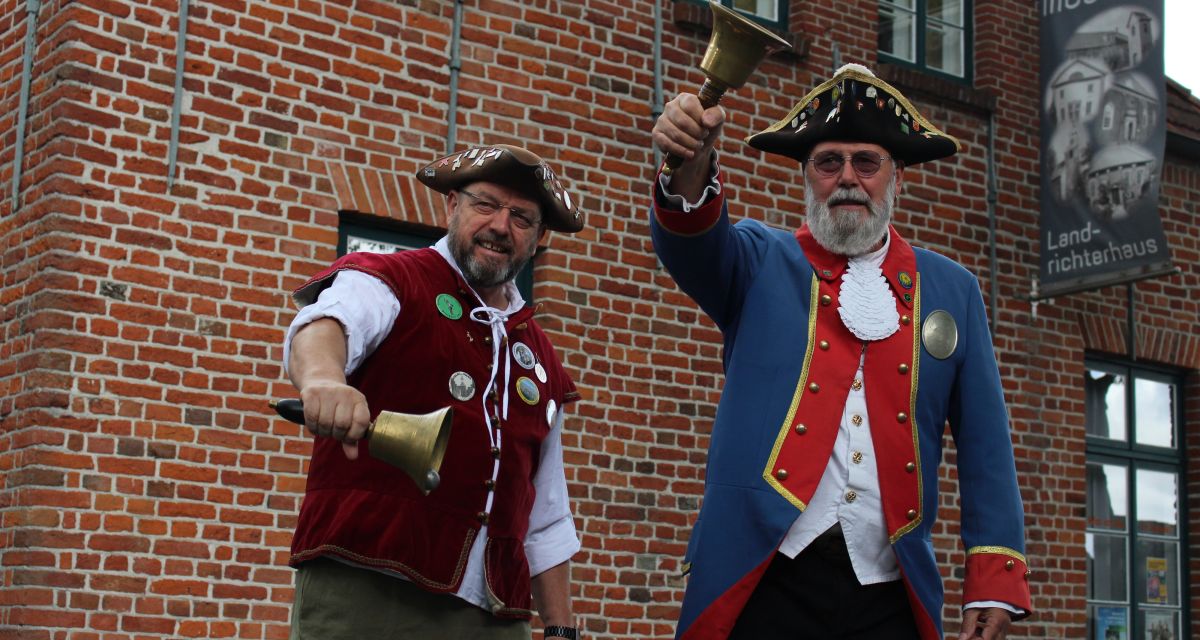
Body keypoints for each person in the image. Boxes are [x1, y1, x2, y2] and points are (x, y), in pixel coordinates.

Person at [649, 64, 1033, 640]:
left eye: (866, 163)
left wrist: (994, 574)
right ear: (807, 176)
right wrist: (692, 166)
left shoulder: (953, 290)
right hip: (764, 577)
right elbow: (693, 244)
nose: (847, 178)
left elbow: (985, 445)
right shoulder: (757, 260)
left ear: (897, 177)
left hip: (889, 592)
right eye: (829, 162)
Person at [282, 144, 585, 640]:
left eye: (522, 218)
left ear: (540, 236)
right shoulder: (390, 278)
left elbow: (546, 512)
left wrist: (561, 630)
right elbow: (327, 323)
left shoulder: (543, 361)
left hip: (496, 616)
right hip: (371, 591)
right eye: (485, 205)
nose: (500, 227)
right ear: (452, 206)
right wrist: (322, 380)